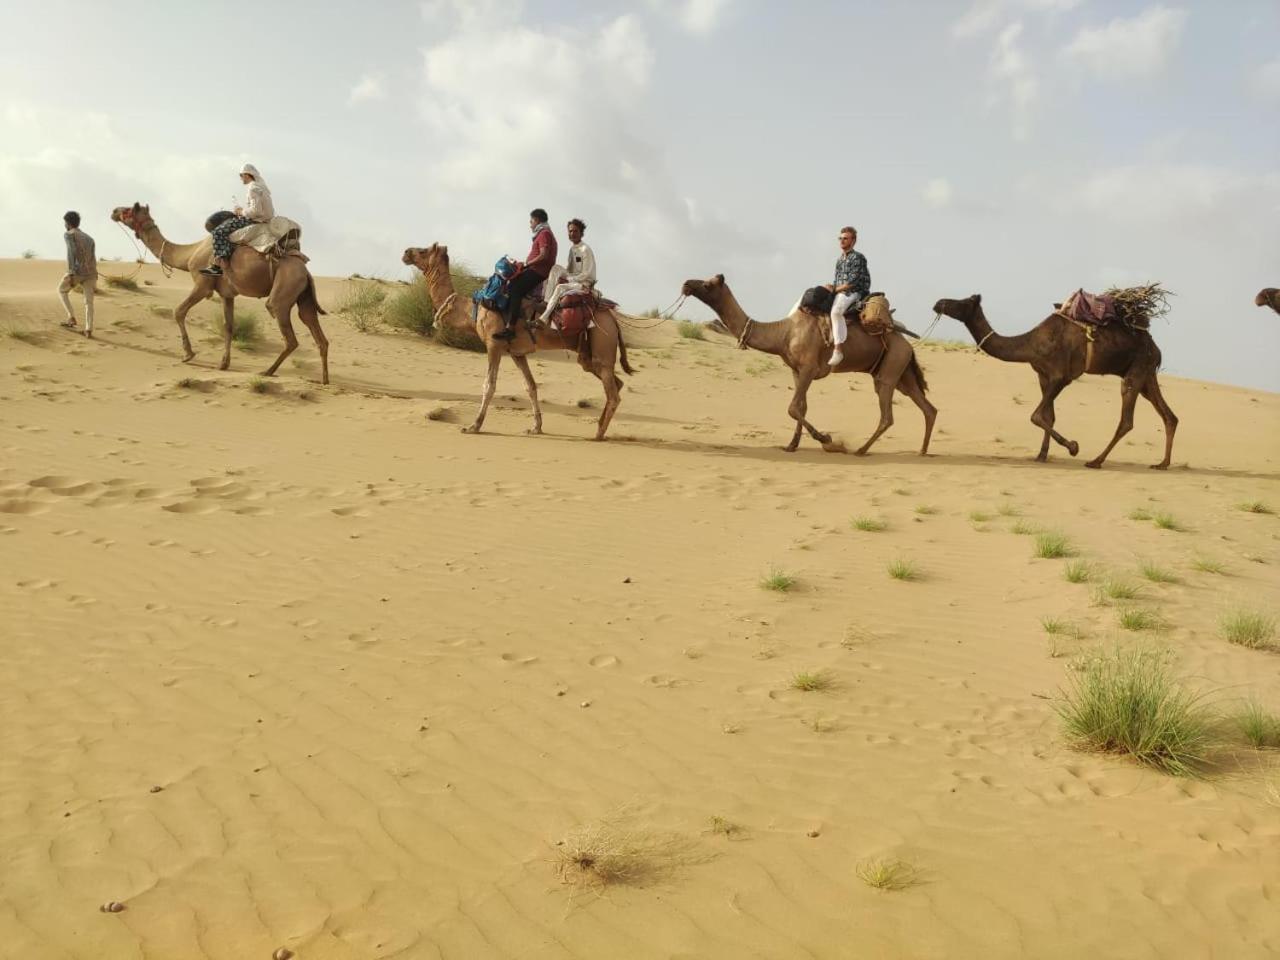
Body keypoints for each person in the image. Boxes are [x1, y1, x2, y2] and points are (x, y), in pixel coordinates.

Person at [493, 208, 557, 340]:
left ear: (537, 220)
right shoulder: (543, 233)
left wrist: (527, 264)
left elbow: (544, 255)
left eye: (531, 220)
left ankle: (511, 328)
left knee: (514, 289)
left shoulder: (544, 233)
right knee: (512, 284)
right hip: (535, 269)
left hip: (538, 271)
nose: (530, 224)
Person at [201, 163, 275, 277]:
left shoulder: (253, 188)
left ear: (247, 175)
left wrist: (241, 212)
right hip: (262, 220)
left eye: (241, 175)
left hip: (255, 220)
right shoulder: (260, 187)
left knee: (218, 232)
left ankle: (218, 265)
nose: (240, 178)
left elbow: (256, 211)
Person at [826, 226, 870, 366]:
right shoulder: (839, 260)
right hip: (840, 292)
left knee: (836, 312)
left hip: (854, 292)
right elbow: (837, 280)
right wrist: (831, 288)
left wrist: (835, 289)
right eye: (840, 238)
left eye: (845, 238)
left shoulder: (858, 258)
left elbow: (852, 282)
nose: (842, 241)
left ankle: (838, 350)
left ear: (853, 241)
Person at [539, 218, 596, 323]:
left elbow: (586, 273)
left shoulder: (585, 249)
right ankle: (546, 301)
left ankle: (543, 318)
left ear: (581, 233)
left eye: (575, 231)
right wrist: (562, 277)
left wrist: (569, 280)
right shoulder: (572, 249)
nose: (572, 233)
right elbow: (569, 269)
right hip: (573, 278)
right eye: (570, 231)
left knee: (560, 287)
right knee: (555, 268)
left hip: (583, 283)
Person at [58, 211, 97, 338]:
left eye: (65, 222)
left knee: (61, 290)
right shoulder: (90, 238)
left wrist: (70, 273)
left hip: (78, 272)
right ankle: (88, 329)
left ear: (68, 223)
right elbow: (93, 258)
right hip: (91, 273)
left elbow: (71, 253)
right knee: (89, 302)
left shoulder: (69, 234)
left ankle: (71, 317)